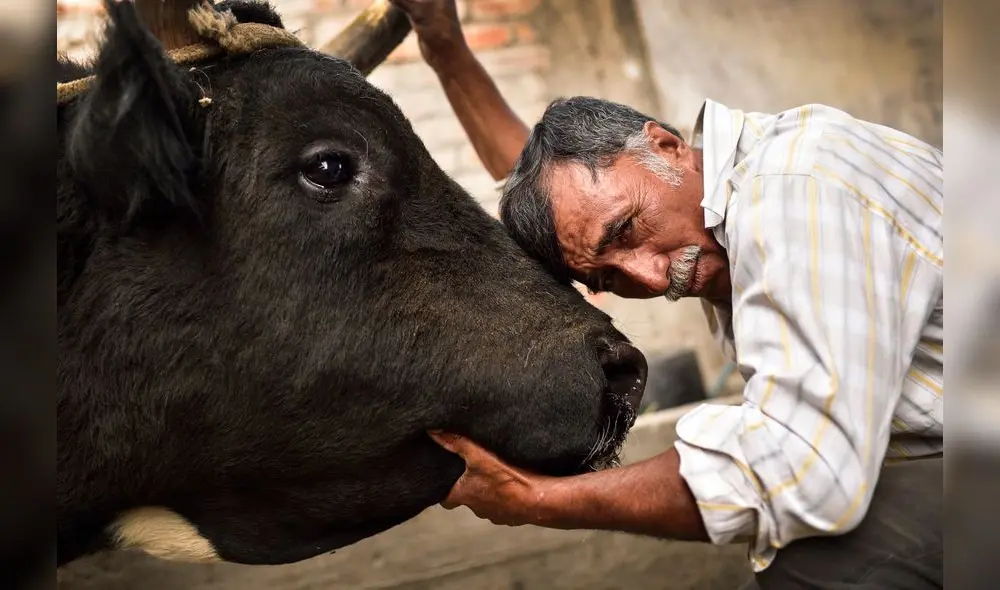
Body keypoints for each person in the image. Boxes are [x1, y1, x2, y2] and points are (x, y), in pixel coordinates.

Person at [388, 1, 944, 588]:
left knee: (817, 564)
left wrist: (537, 498)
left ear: (665, 145)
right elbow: (570, 209)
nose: (653, 280)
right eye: (609, 280)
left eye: (627, 230)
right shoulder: (688, 195)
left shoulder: (792, 190)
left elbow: (808, 473)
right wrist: (446, 49)